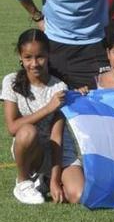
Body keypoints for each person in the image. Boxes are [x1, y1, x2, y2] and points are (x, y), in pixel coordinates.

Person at [4, 30, 70, 205]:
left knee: (76, 194)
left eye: (40, 57)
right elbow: (12, 128)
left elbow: (57, 137)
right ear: (21, 57)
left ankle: (45, 180)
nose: (34, 63)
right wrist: (48, 108)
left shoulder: (59, 87)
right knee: (27, 131)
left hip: (49, 153)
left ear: (49, 55)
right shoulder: (10, 81)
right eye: (28, 58)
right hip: (25, 148)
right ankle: (23, 182)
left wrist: (56, 179)